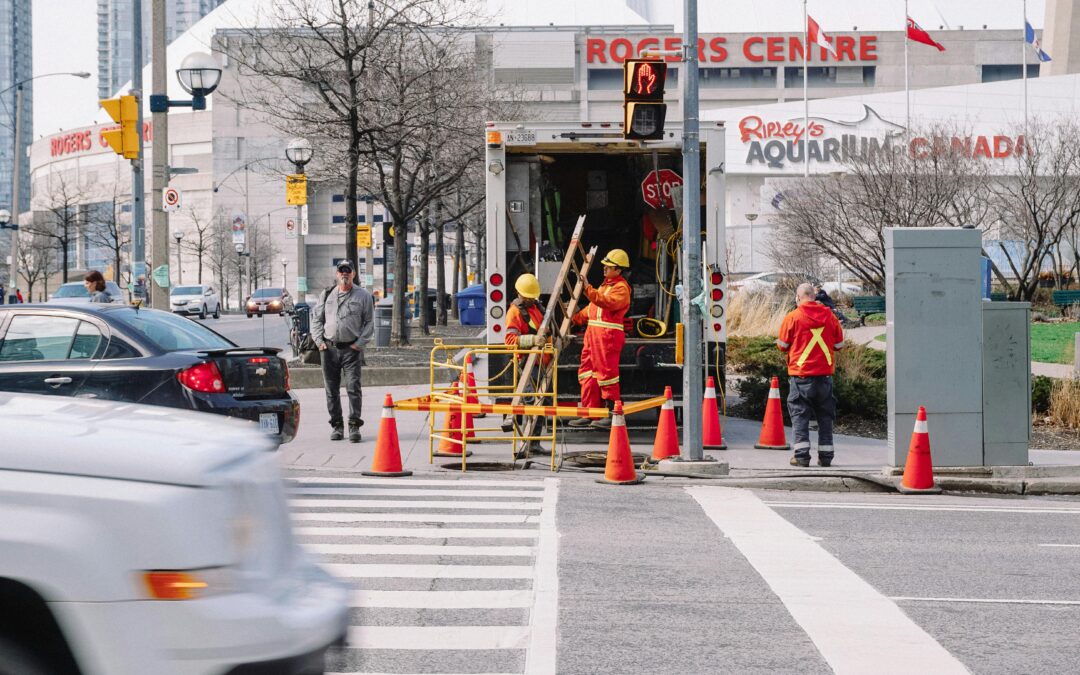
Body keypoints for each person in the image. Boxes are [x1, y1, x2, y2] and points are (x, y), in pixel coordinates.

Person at [777, 282, 845, 468]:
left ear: (798, 298)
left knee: (800, 415)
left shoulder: (793, 317)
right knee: (825, 416)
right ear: (814, 297)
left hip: (801, 376)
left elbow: (782, 346)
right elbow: (839, 346)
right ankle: (826, 457)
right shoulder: (830, 317)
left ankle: (801, 457)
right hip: (824, 376)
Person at [310, 260, 375, 443]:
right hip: (328, 349)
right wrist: (319, 342)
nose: (344, 274)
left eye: (348, 271)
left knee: (353, 388)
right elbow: (316, 319)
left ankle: (354, 425)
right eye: (341, 271)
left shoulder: (363, 296)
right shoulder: (327, 294)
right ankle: (337, 426)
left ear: (353, 274)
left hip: (351, 350)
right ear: (336, 274)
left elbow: (370, 323)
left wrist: (359, 344)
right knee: (331, 390)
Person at [569, 249, 632, 429]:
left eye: (608, 266)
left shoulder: (621, 288)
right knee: (587, 373)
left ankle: (613, 414)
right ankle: (590, 413)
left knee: (607, 375)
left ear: (618, 270)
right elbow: (591, 311)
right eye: (604, 265)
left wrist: (588, 289)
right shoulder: (606, 286)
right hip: (594, 338)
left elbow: (605, 302)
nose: (604, 268)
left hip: (607, 338)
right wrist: (573, 319)